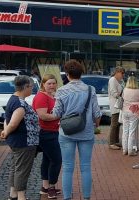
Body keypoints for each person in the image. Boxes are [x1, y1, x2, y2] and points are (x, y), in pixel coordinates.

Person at [52, 59, 102, 200]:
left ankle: (67, 197)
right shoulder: (90, 90)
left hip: (66, 132)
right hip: (86, 133)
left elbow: (56, 114)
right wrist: (95, 126)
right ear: (81, 73)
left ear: (67, 74)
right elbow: (97, 114)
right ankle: (86, 197)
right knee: (85, 167)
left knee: (67, 168)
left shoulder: (61, 91)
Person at [0, 75, 40, 200]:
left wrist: (5, 131)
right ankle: (21, 197)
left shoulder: (13, 98)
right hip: (24, 142)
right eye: (31, 87)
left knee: (16, 168)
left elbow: (7, 120)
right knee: (22, 170)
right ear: (25, 87)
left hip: (17, 141)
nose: (32, 89)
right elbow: (13, 123)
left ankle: (13, 195)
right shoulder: (20, 104)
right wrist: (6, 132)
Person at [32, 74, 62, 199]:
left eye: (54, 83)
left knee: (47, 159)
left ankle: (45, 187)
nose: (51, 85)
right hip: (46, 133)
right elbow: (43, 116)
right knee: (56, 160)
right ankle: (51, 187)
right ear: (43, 84)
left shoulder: (52, 96)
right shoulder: (41, 97)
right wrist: (59, 116)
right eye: (49, 83)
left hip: (53, 132)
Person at [122, 76, 139, 156]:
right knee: (131, 132)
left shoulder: (125, 90)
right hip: (134, 112)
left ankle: (124, 150)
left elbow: (123, 98)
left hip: (125, 111)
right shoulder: (138, 91)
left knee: (125, 131)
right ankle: (130, 151)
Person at [108, 66, 125, 150]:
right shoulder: (112, 80)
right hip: (115, 105)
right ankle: (111, 143)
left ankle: (116, 141)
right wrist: (121, 96)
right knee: (114, 124)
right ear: (117, 72)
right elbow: (113, 92)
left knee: (118, 124)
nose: (123, 75)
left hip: (118, 105)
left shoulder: (118, 81)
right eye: (122, 73)